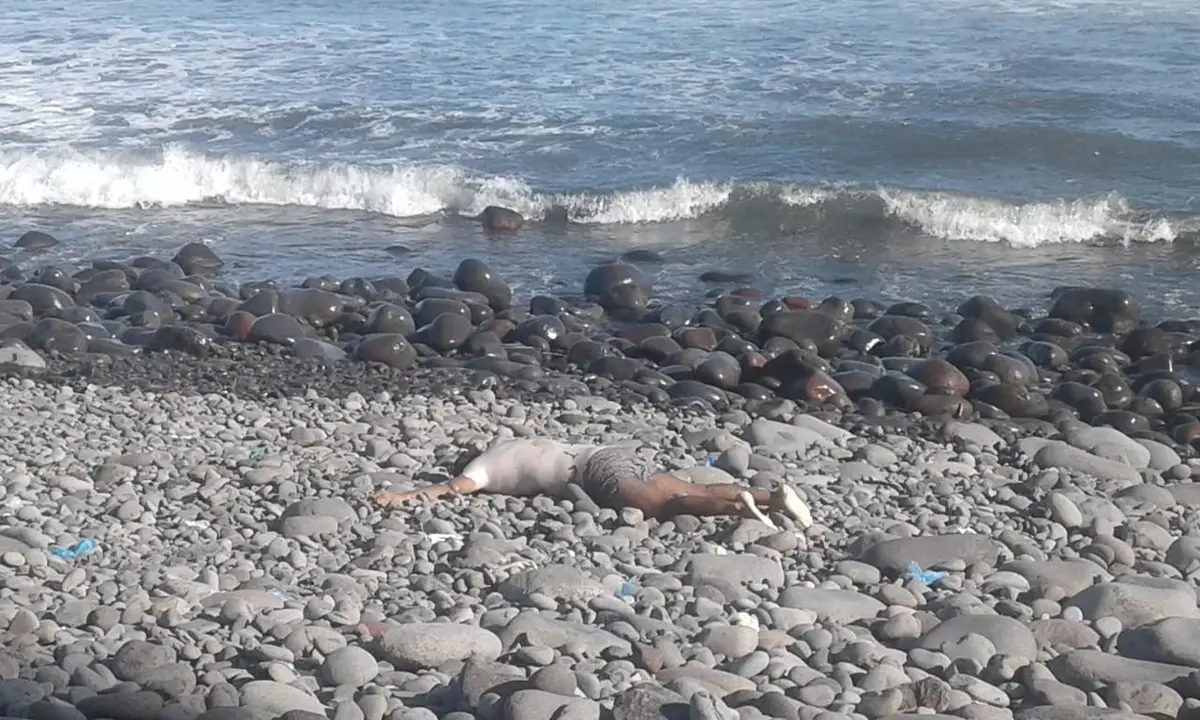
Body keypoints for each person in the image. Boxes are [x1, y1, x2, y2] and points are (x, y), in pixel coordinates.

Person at [372, 438, 812, 530]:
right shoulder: (511, 442)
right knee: (676, 487)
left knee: (661, 505)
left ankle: (739, 505)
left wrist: (401, 496)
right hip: (611, 451)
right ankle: (771, 498)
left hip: (588, 470)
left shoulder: (482, 468)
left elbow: (451, 490)